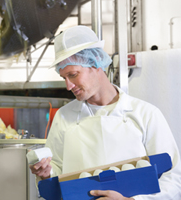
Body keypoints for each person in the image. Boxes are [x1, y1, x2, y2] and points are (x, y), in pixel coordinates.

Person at [29, 26, 181, 199]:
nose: (68, 86)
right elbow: (57, 171)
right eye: (64, 77)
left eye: (73, 75)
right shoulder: (64, 117)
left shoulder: (145, 114)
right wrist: (47, 172)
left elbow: (173, 178)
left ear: (94, 63)